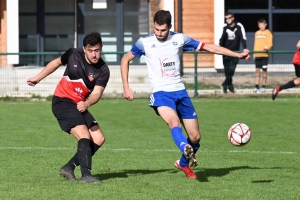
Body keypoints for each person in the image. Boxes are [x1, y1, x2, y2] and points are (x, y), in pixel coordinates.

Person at [120, 10, 250, 179]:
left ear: (170, 27)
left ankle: (183, 163)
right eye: (156, 29)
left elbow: (208, 47)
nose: (159, 34)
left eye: (163, 30)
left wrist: (237, 54)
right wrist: (126, 86)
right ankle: (184, 148)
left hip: (180, 92)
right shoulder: (144, 43)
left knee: (195, 137)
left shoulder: (179, 39)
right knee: (173, 122)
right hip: (161, 93)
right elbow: (125, 60)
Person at [27, 32, 110, 183]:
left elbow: (97, 93)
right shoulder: (73, 54)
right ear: (84, 49)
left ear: (101, 48)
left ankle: (68, 167)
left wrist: (87, 103)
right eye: (90, 50)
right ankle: (86, 175)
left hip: (80, 105)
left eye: (97, 50)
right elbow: (56, 63)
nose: (94, 54)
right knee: (84, 135)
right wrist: (37, 78)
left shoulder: (103, 70)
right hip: (62, 101)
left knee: (98, 138)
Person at [219, 12, 249, 94]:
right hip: (225, 52)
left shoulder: (239, 26)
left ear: (233, 18)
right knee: (227, 71)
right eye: (226, 18)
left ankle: (225, 84)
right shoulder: (224, 27)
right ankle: (229, 88)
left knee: (231, 71)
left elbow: (243, 38)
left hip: (235, 53)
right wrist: (220, 50)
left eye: (229, 18)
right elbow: (221, 40)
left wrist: (245, 48)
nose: (227, 20)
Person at [253, 18, 273, 93]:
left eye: (263, 25)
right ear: (258, 25)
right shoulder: (256, 33)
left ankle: (263, 86)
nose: (262, 26)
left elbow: (270, 43)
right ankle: (256, 86)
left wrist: (266, 48)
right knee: (257, 71)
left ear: (266, 25)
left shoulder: (268, 33)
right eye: (260, 25)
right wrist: (254, 54)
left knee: (264, 71)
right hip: (257, 55)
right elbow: (255, 44)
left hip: (264, 55)